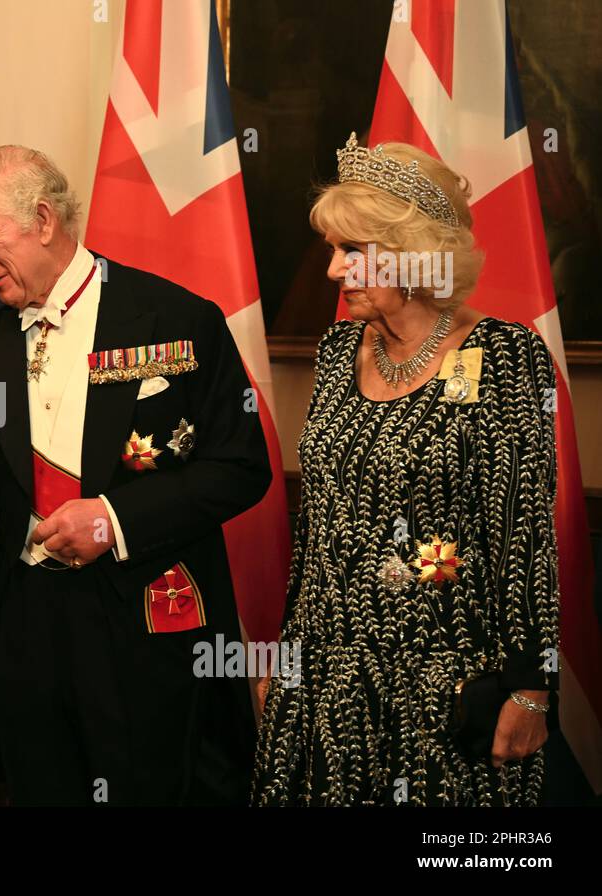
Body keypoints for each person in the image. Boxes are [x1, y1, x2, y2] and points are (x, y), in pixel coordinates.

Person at [0, 145, 271, 806]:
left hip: (144, 620)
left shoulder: (176, 319)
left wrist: (114, 520)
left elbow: (241, 468)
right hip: (27, 629)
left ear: (44, 220)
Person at [252, 134, 559, 806]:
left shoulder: (503, 357)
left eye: (352, 251)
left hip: (442, 680)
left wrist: (533, 689)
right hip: (326, 677)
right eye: (333, 250)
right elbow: (321, 524)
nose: (333, 270)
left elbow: (525, 537)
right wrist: (287, 650)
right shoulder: (338, 351)